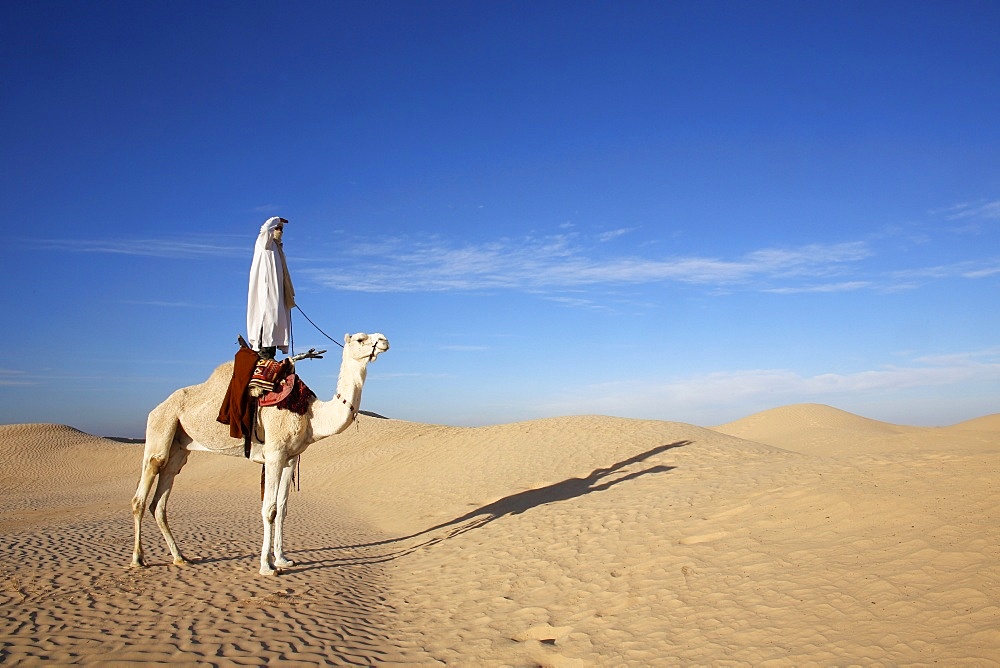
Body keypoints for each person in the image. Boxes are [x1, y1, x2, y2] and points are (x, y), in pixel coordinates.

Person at [247, 216, 295, 359]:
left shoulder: (278, 249)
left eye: (281, 229)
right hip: (266, 297)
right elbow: (265, 229)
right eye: (277, 228)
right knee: (267, 324)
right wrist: (276, 219)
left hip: (278, 298)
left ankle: (270, 354)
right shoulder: (264, 244)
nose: (279, 231)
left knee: (275, 326)